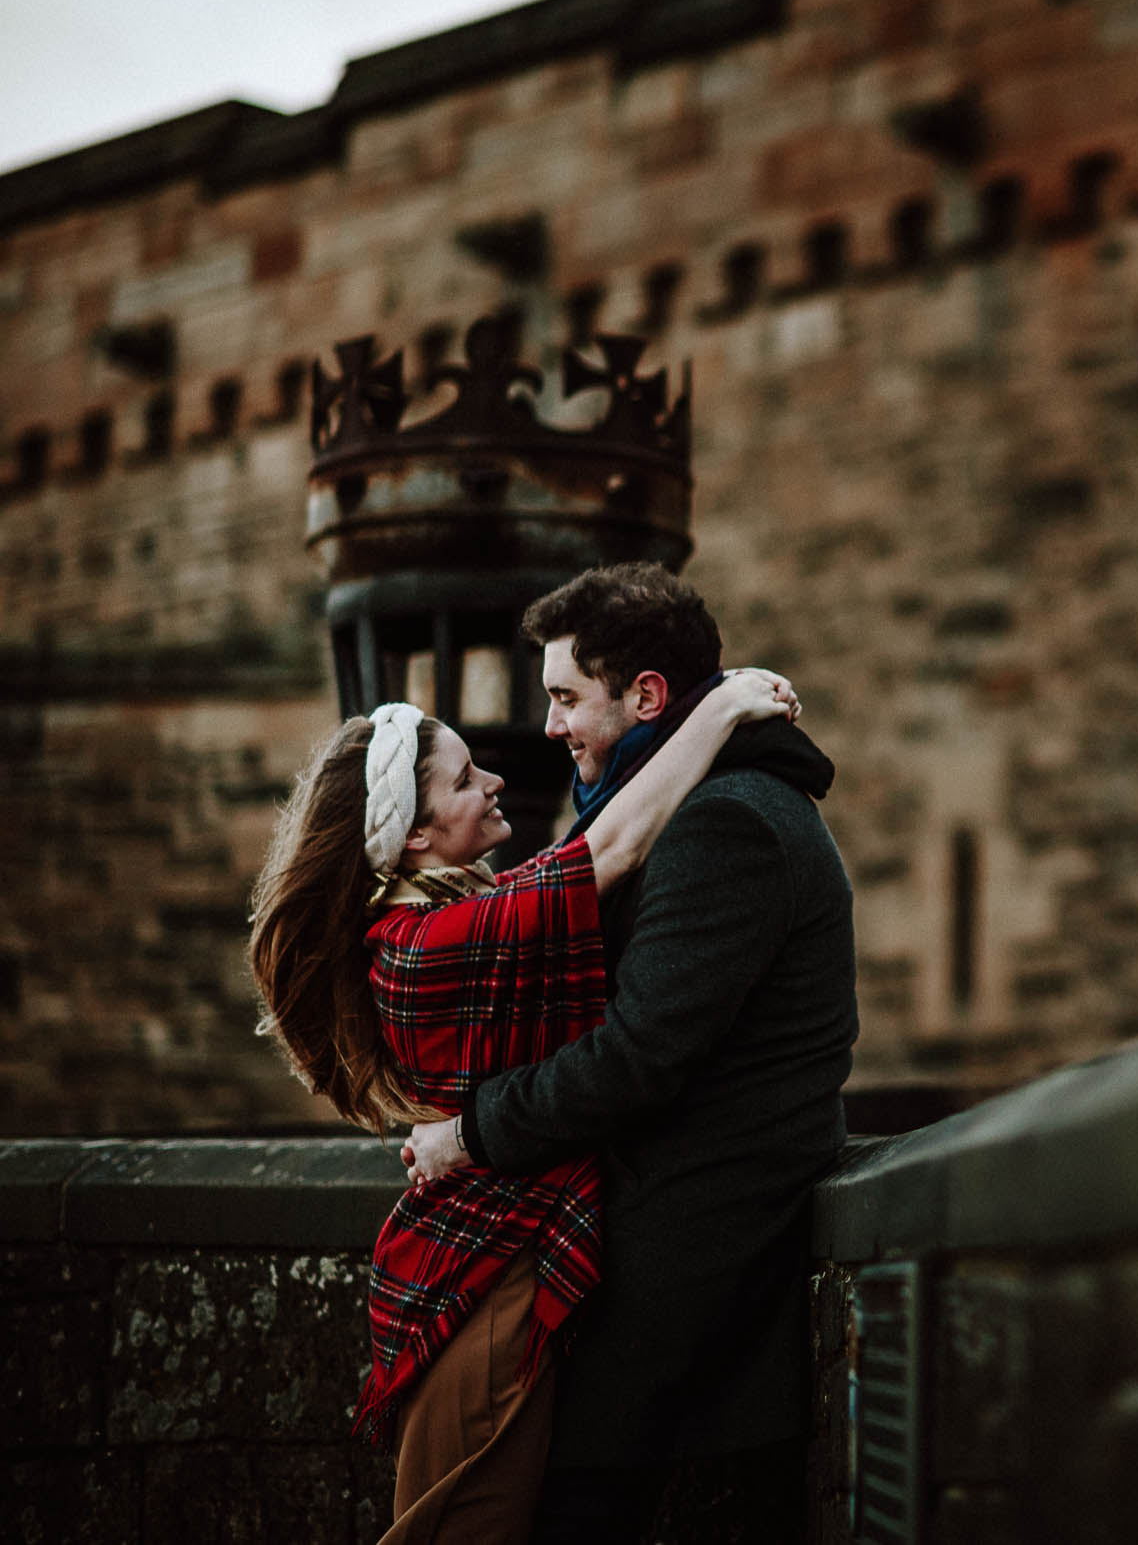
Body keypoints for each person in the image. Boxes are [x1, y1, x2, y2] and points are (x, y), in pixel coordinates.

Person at [247, 664, 801, 1545]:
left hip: (489, 1269)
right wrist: (724, 707)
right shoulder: (429, 941)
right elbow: (608, 850)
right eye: (466, 779)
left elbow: (573, 864)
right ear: (418, 832)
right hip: (483, 1290)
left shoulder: (453, 908)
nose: (496, 779)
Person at [400, 562, 859, 1542]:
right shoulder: (685, 806)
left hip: (684, 1290)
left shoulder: (725, 821)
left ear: (646, 695)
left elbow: (638, 1055)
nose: (551, 725)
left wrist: (469, 1133)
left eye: (566, 696)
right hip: (658, 1273)